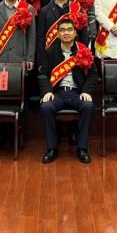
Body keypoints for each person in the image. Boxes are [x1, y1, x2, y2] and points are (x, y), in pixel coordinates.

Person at [38, 18, 97, 164]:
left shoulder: (83, 51)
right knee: (46, 107)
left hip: (77, 93)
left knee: (88, 106)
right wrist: (47, 92)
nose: (66, 33)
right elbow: (42, 75)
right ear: (58, 34)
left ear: (75, 32)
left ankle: (82, 148)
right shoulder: (51, 52)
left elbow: (93, 75)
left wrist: (86, 91)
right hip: (57, 93)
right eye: (62, 30)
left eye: (69, 30)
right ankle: (52, 148)